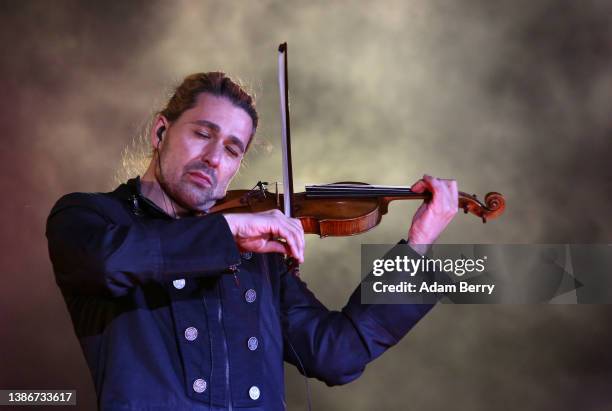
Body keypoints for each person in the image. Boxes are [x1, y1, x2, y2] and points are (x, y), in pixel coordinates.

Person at [46, 72, 458, 411]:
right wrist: (228, 233)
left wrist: (418, 247)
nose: (214, 158)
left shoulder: (256, 257)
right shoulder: (91, 218)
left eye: (231, 149)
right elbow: (106, 262)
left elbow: (337, 354)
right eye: (202, 134)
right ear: (160, 131)